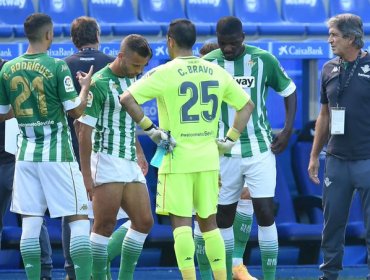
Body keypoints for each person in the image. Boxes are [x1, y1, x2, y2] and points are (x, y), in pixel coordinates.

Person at [120, 19, 255, 280]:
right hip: (208, 158)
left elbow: (127, 98)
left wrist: (151, 130)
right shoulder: (215, 70)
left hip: (177, 158)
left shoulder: (164, 72)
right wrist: (229, 140)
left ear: (170, 40)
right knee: (209, 224)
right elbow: (246, 106)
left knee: (181, 224)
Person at [197, 16, 297, 280]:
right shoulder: (208, 63)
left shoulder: (263, 60)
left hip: (259, 149)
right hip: (222, 152)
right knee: (224, 216)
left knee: (265, 212)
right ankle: (228, 272)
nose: (227, 49)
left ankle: (270, 276)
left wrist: (287, 130)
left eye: (232, 43)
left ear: (242, 37)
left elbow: (289, 90)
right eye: (222, 43)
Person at [0, 13, 93, 280]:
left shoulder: (7, 69)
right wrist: (85, 88)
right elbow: (76, 110)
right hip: (58, 156)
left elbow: (3, 113)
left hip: (25, 157)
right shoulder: (56, 66)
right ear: (49, 35)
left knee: (30, 224)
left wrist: (25, 110)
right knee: (78, 219)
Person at [62, 16, 138, 280]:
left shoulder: (63, 66)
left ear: (74, 39)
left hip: (69, 151)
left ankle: (76, 271)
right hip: (106, 151)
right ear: (97, 34)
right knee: (108, 222)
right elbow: (126, 115)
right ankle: (100, 270)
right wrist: (138, 149)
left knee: (75, 217)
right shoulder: (113, 64)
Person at [77, 34, 154, 280]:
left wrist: (140, 152)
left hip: (129, 159)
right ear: (120, 56)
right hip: (105, 159)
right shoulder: (99, 83)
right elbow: (83, 131)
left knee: (143, 222)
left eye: (142, 66)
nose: (138, 71)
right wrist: (86, 175)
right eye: (135, 65)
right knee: (104, 226)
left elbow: (128, 122)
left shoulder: (134, 81)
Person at [308, 13, 370, 280]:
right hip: (336, 158)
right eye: (330, 34)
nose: (329, 40)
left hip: (368, 158)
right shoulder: (328, 68)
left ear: (352, 38)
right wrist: (314, 156)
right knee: (332, 223)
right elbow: (324, 115)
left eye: (334, 35)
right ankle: (329, 274)